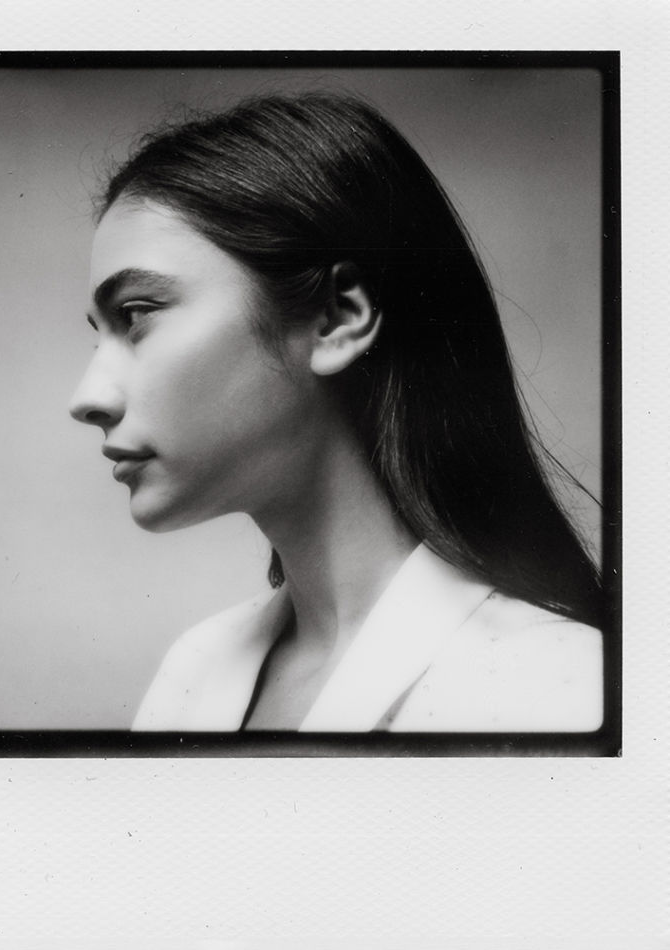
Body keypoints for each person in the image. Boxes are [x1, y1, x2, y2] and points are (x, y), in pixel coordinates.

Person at [69, 93, 604, 733]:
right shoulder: (193, 671)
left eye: (136, 315)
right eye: (98, 334)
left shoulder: (559, 689)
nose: (88, 397)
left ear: (336, 319)